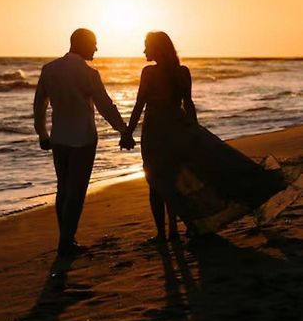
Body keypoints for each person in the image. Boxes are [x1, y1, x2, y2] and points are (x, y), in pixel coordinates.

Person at [121, 31, 284, 242]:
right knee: (176, 180)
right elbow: (187, 103)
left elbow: (139, 104)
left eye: (146, 46)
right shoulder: (182, 72)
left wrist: (127, 133)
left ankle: (164, 233)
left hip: (156, 133)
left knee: (156, 181)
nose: (144, 50)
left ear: (157, 48)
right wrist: (195, 131)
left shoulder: (149, 73)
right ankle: (173, 230)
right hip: (180, 130)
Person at [34, 28, 135, 257]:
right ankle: (67, 242)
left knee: (63, 189)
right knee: (76, 192)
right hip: (84, 138)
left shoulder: (49, 70)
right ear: (82, 44)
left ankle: (66, 238)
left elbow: (39, 105)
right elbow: (105, 106)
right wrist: (123, 131)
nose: (96, 49)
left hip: (59, 137)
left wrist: (42, 133)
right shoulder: (89, 74)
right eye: (94, 44)